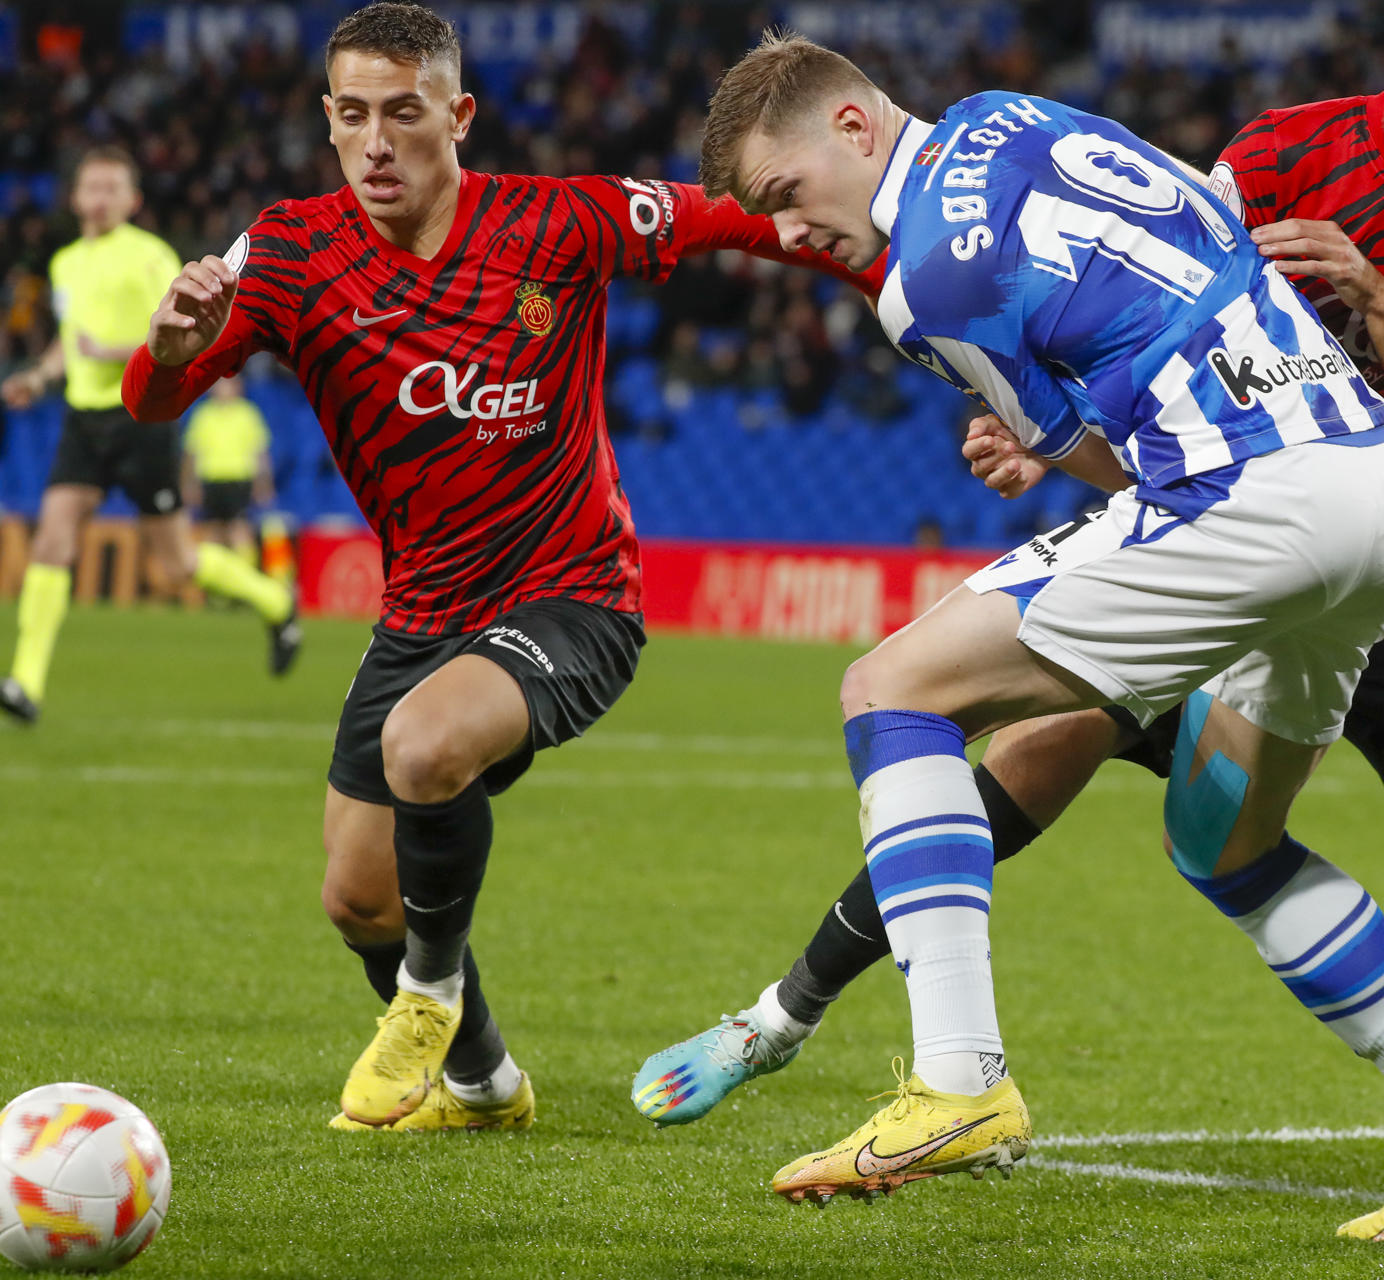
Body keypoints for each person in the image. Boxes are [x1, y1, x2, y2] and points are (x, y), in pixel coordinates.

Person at [640, 0, 1384, 1244]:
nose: (792, 230)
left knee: (891, 688)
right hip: (1376, 489)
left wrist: (1074, 446)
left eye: (787, 192)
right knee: (1223, 840)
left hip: (1251, 496)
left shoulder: (923, 284)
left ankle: (956, 1078)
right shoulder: (1013, 117)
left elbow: (1093, 458)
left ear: (853, 123)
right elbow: (1203, 230)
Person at [121, 2, 879, 1134]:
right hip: (422, 614)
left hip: (573, 595)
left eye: (403, 114)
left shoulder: (558, 224)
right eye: (353, 117)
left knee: (424, 747)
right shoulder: (284, 253)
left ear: (459, 115)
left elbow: (750, 221)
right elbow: (153, 397)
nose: (376, 143)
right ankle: (483, 1082)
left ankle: (427, 997)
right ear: (328, 124)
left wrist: (894, 274)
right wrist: (169, 349)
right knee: (356, 893)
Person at [0, 146, 299, 726]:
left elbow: (177, 331)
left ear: (133, 200)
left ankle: (275, 599)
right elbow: (71, 339)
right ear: (76, 197)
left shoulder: (149, 256)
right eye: (94, 186)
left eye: (115, 187)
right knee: (52, 543)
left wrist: (110, 352)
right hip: (84, 422)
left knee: (178, 564)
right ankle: (25, 683)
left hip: (140, 418)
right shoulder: (65, 264)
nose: (103, 196)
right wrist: (38, 376)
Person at [182, 374, 274, 559]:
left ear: (238, 387)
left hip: (239, 479)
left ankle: (245, 575)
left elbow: (259, 452)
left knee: (239, 528)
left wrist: (264, 484)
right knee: (211, 530)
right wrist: (189, 484)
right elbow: (192, 453)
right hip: (211, 479)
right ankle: (214, 578)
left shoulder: (247, 413)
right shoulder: (203, 414)